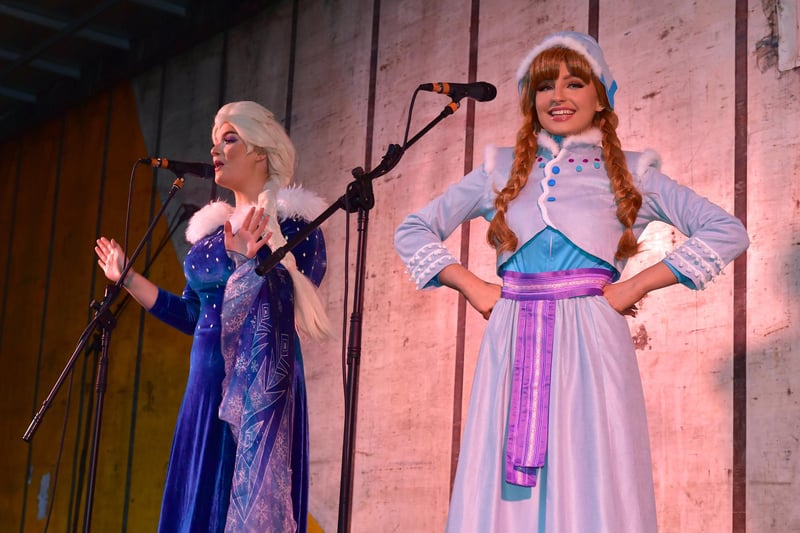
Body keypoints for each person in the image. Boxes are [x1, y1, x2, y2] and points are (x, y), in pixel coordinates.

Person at [394, 31, 749, 532]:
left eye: (574, 83)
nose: (557, 97)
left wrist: (637, 284)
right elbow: (413, 229)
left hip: (592, 338)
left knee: (590, 464)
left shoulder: (630, 172)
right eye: (544, 87)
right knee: (502, 479)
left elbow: (726, 230)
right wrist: (473, 287)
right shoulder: (500, 171)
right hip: (513, 336)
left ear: (601, 95)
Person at [95, 101, 330, 532]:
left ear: (260, 151)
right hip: (205, 385)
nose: (216, 150)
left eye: (229, 138)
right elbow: (193, 314)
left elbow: (293, 302)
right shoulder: (206, 235)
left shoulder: (294, 225)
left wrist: (247, 265)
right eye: (213, 142)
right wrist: (127, 278)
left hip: (261, 386)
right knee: (200, 506)